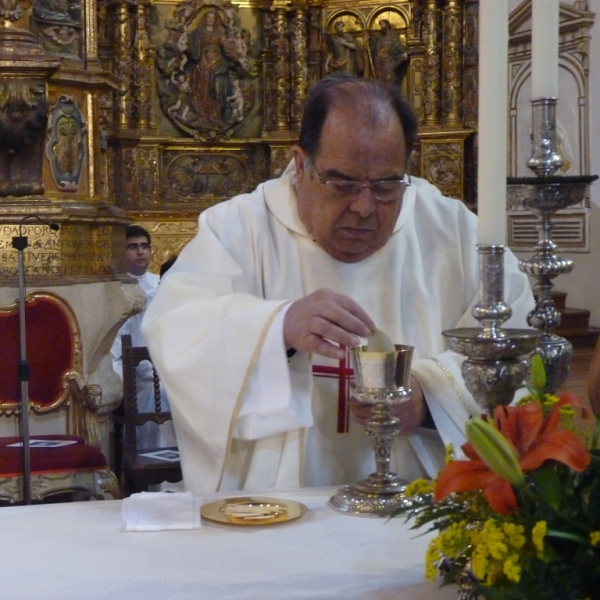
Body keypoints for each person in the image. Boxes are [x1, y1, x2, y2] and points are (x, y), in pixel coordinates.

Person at [143, 74, 534, 496]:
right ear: (300, 163)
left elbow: (516, 348)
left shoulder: (455, 233)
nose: (365, 207)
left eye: (386, 186)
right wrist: (277, 327)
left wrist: (429, 399)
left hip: (420, 511)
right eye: (342, 183)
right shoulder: (238, 230)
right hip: (277, 512)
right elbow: (175, 330)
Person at [111, 226, 176, 449]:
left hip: (166, 366)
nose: (140, 252)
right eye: (132, 247)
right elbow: (115, 346)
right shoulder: (114, 289)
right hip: (133, 371)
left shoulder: (164, 283)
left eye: (144, 246)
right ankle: (152, 461)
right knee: (158, 395)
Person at [368, 19, 409, 86]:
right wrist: (369, 39)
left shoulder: (392, 36)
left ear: (387, 25)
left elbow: (398, 46)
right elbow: (373, 45)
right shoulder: (379, 37)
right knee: (379, 81)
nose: (381, 26)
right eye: (380, 24)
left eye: (383, 24)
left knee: (389, 80)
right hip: (379, 63)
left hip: (388, 62)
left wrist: (402, 53)